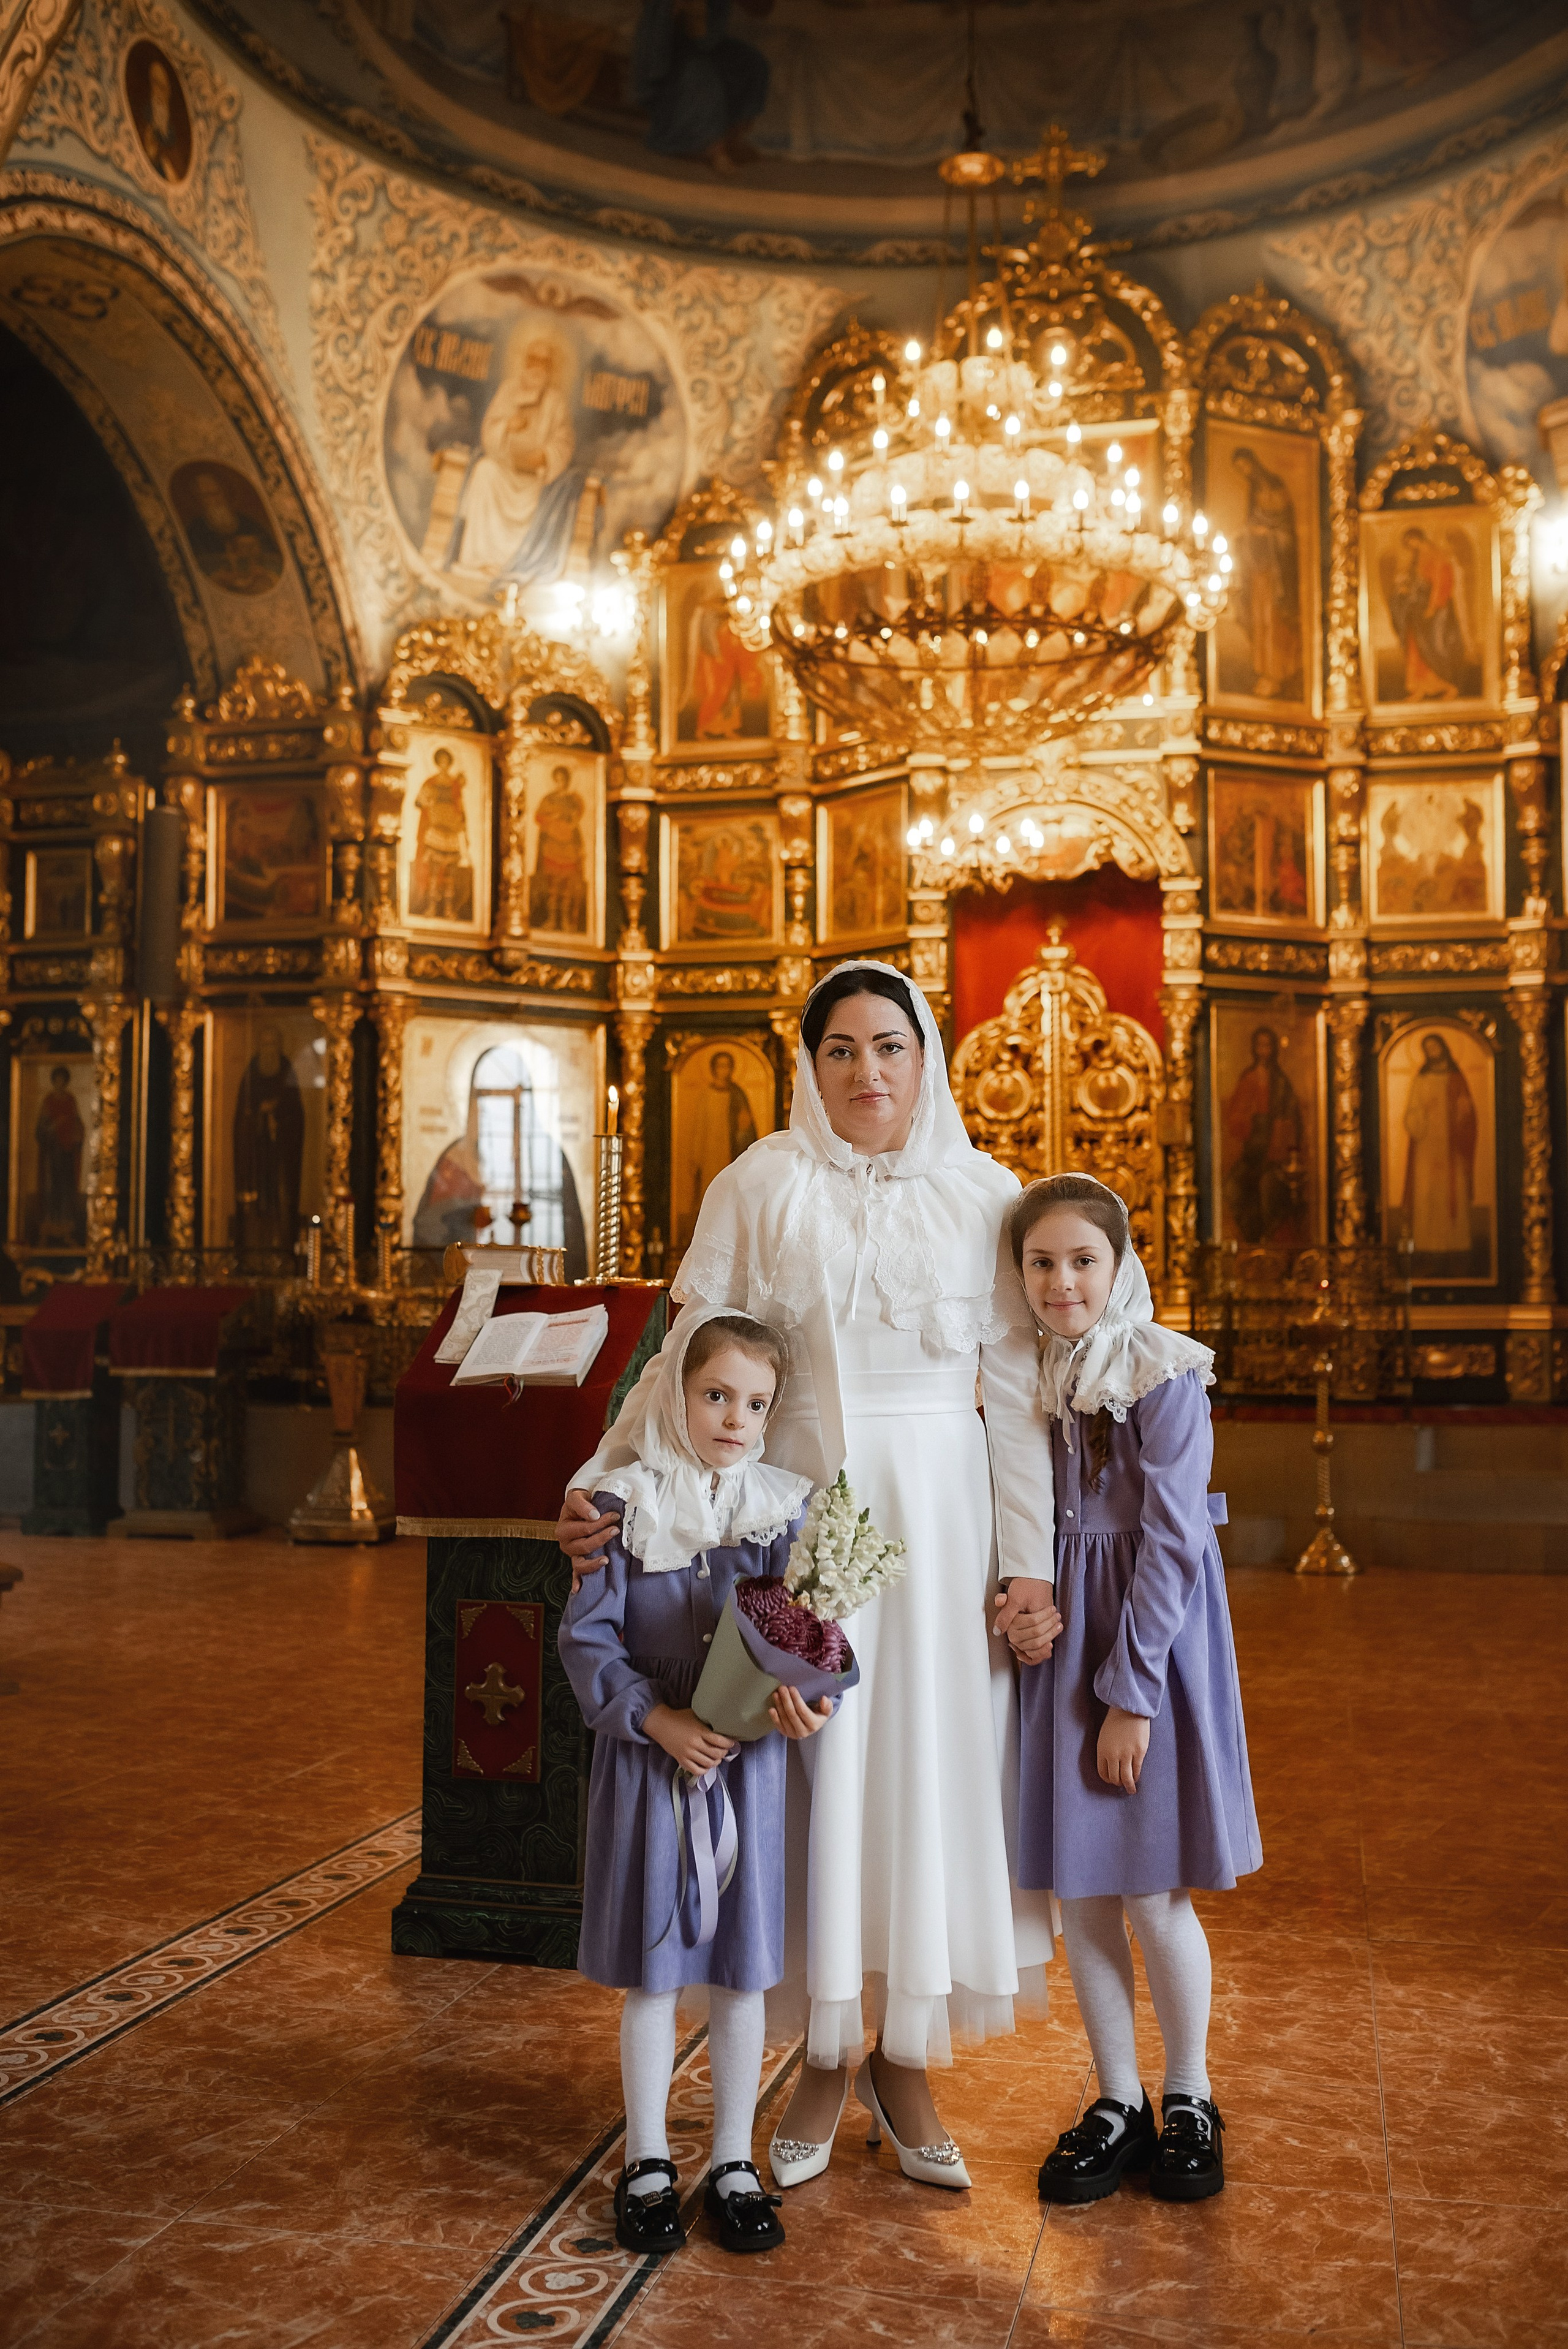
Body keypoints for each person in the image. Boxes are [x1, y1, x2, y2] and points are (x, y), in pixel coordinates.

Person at [559, 961, 1057, 2193]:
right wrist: (600, 1482)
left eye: (888, 1046)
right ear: (808, 1064)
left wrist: (1025, 1567)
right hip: (796, 1532)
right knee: (817, 1777)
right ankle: (821, 2051)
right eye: (839, 1049)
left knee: (921, 1783)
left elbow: (1016, 1410)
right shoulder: (757, 1185)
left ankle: (902, 2055)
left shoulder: (983, 1193)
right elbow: (684, 1355)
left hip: (939, 1534)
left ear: (924, 1056)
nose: (866, 1071)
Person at [1001, 1174, 1261, 2207]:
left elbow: (1169, 1539)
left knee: (1152, 1887)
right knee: (1083, 1886)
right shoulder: (1023, 1375)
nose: (1062, 1281)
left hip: (1141, 1650)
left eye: (1082, 1260)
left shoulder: (1161, 1372)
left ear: (1121, 1266)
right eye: (1041, 1261)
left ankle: (1190, 2090)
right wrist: (1013, 1599)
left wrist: (1130, 1693)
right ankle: (1120, 2099)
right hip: (1061, 1646)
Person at [557, 1307, 831, 2257]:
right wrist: (656, 1719)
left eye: (754, 1403)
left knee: (741, 1967)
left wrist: (807, 1700)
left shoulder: (782, 1507)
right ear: (675, 1394)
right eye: (716, 1394)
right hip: (651, 1763)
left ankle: (732, 2159)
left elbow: (804, 1636)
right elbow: (588, 1639)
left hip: (743, 1771)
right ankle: (644, 2158)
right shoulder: (620, 1505)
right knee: (655, 1967)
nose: (733, 1417)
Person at [450, 329, 578, 586]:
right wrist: (508, 426)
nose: (537, 367)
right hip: (505, 468)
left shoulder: (556, 401)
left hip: (533, 480)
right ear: (526, 361)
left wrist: (544, 455)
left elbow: (564, 441)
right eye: (534, 360)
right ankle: (478, 560)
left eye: (544, 363)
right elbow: (490, 429)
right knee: (484, 471)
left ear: (551, 368)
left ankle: (510, 565)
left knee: (531, 495)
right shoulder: (509, 390)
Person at [1228, 445, 1301, 702]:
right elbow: (1254, 524)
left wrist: (1263, 533)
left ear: (1254, 462)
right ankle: (1266, 673)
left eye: (1246, 466)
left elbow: (1284, 530)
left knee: (1273, 619)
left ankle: (1278, 672)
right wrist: (1247, 535)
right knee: (1260, 619)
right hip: (1258, 565)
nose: (1244, 471)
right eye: (1240, 469)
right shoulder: (1253, 490)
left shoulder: (1274, 484)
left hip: (1275, 568)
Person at [1221, 1026, 1305, 1246]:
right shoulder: (1248, 1078)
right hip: (1252, 1150)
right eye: (1260, 1045)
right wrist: (1247, 1120)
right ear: (1254, 1049)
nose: (1264, 1051)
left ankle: (1268, 1244)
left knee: (1269, 1192)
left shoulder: (1281, 1082)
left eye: (1268, 1045)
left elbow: (1292, 1117)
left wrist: (1281, 1136)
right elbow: (1234, 1118)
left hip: (1274, 1151)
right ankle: (1251, 1241)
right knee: (1233, 1188)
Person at [1401, 1032, 1477, 1262]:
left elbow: (1468, 1115)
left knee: (1452, 1192)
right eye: (1428, 1049)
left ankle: (1456, 1246)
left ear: (1443, 1048)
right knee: (1426, 1193)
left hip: (1451, 1147)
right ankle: (1426, 1247)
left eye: (1435, 1047)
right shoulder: (1421, 1079)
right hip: (1426, 1146)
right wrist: (1422, 1114)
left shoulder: (1456, 1078)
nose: (1433, 1052)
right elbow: (1411, 1114)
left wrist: (1460, 1113)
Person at [678, 1050, 758, 1250]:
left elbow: (748, 1127)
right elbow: (699, 1128)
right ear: (714, 1069)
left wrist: (744, 1127)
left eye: (727, 1066)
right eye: (720, 1066)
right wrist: (696, 1157)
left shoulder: (737, 1094)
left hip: (732, 1153)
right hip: (709, 1152)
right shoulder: (706, 1095)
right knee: (709, 1193)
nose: (724, 1070)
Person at [409, 748, 473, 923]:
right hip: (436, 827)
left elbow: (460, 807)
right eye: (441, 761)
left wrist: (464, 830)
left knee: (451, 873)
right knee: (434, 870)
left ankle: (448, 909)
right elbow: (419, 801)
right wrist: (428, 801)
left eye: (447, 761)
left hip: (451, 829)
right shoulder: (430, 782)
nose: (444, 764)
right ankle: (431, 907)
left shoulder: (455, 784)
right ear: (438, 763)